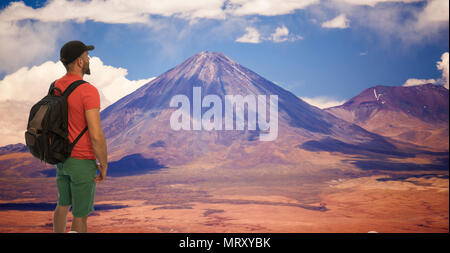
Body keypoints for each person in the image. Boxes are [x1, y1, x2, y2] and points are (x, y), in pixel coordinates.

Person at [52, 40, 108, 233]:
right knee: (80, 217)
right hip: (82, 160)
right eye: (86, 56)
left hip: (61, 158)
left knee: (62, 206)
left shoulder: (56, 86)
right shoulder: (88, 91)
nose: (89, 59)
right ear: (79, 62)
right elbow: (96, 134)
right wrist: (103, 163)